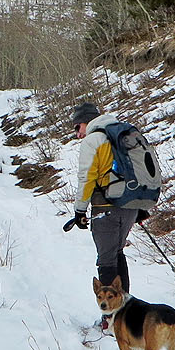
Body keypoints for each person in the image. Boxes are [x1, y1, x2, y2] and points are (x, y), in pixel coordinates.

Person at [70, 101, 138, 293]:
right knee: (117, 253)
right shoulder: (124, 135)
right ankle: (124, 307)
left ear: (86, 121)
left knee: (107, 260)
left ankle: (112, 311)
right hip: (132, 205)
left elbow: (87, 178)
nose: (78, 134)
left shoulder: (93, 140)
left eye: (77, 127)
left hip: (106, 207)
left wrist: (80, 210)